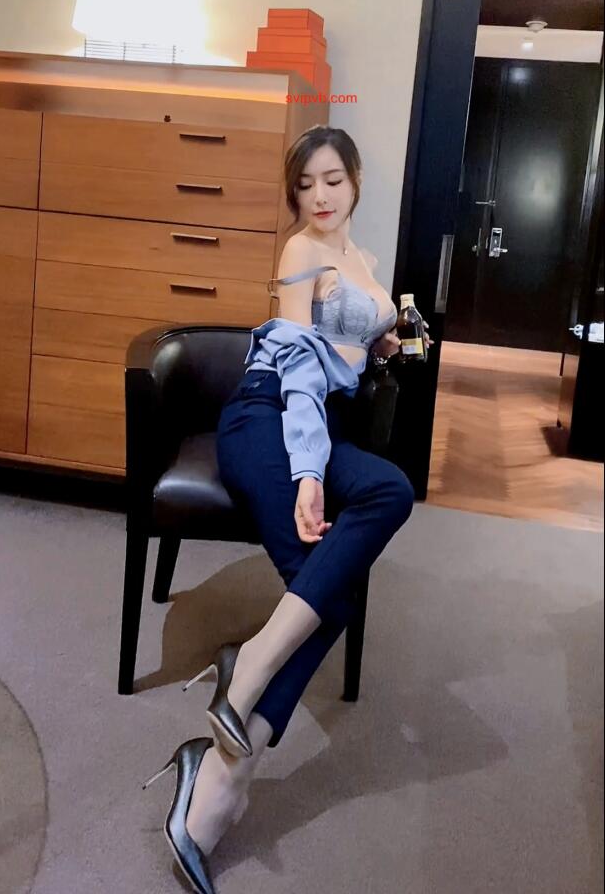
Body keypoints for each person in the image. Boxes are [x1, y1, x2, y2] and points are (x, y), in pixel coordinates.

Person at [144, 125, 423, 894]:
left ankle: (237, 717)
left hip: (320, 426)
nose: (321, 195)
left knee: (389, 492)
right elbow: (299, 363)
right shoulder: (301, 251)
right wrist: (307, 475)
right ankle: (224, 771)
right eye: (306, 184)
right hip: (266, 416)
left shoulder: (363, 262)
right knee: (327, 591)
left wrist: (386, 342)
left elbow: (361, 342)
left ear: (355, 179)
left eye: (333, 179)